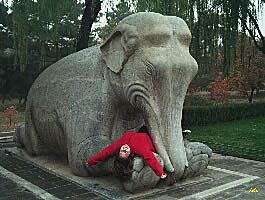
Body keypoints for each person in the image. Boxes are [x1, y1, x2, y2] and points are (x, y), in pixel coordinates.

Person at [86, 126, 167, 180]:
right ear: (129, 155)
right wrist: (161, 173)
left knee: (143, 128)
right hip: (152, 138)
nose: (124, 148)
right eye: (125, 152)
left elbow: (104, 153)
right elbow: (150, 158)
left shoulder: (119, 145)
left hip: (141, 131)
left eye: (122, 150)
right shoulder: (139, 148)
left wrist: (90, 161)